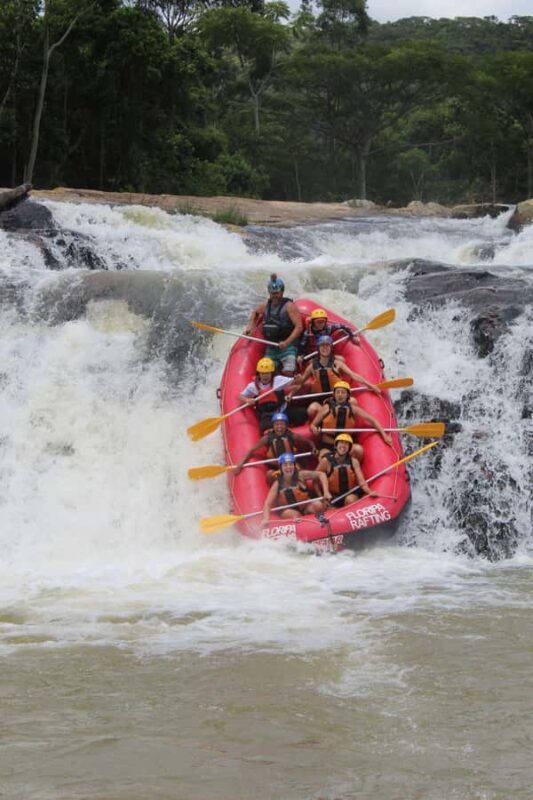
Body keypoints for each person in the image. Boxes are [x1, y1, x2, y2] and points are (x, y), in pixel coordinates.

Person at [296, 335, 381, 421]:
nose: (325, 348)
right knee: (311, 409)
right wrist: (295, 384)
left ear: (331, 348)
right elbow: (301, 381)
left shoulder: (337, 363)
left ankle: (344, 422)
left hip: (336, 396)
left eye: (327, 345)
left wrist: (371, 385)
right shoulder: (312, 366)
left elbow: (353, 375)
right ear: (318, 348)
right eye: (322, 345)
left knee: (353, 402)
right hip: (319, 397)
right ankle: (321, 423)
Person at [310, 380, 393, 459]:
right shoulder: (326, 408)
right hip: (328, 444)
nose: (340, 395)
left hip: (345, 444)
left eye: (343, 392)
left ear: (347, 395)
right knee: (323, 458)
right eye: (338, 392)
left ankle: (350, 466)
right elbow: (313, 425)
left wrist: (384, 436)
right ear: (334, 395)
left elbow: (372, 420)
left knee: (358, 450)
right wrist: (314, 429)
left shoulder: (353, 409)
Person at [244, 274, 303, 376]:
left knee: (288, 372)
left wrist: (286, 343)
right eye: (272, 293)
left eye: (277, 293)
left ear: (282, 292)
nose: (274, 295)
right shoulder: (266, 306)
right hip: (271, 347)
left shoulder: (289, 306)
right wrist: (250, 327)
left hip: (288, 347)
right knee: (265, 373)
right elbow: (255, 312)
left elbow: (299, 327)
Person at [233, 412, 316, 483]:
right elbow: (251, 450)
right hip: (276, 467)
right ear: (273, 425)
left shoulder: (292, 435)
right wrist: (240, 465)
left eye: (282, 424)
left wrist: (314, 448)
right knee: (269, 475)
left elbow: (309, 442)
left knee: (298, 471)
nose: (279, 427)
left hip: (290, 464)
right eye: (277, 424)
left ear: (286, 425)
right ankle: (278, 490)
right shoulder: (267, 438)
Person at [260, 452, 332, 527]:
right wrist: (265, 519)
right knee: (292, 515)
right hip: (290, 511)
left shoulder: (301, 475)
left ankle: (320, 524)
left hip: (305, 508)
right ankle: (302, 527)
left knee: (318, 505)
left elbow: (321, 474)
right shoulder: (277, 484)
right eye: (285, 465)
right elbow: (267, 504)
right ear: (281, 467)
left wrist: (326, 492)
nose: (288, 467)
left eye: (290, 464)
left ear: (294, 465)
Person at [318, 434, 377, 507]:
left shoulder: (354, 461)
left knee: (351, 500)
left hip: (350, 493)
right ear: (336, 445)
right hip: (333, 497)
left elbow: (361, 481)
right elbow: (316, 481)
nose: (343, 446)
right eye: (341, 443)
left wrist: (369, 492)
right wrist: (321, 497)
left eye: (346, 444)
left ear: (349, 448)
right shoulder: (326, 461)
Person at [238, 357, 293, 432]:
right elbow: (240, 396)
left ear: (272, 373)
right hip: (267, 415)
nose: (265, 376)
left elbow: (296, 382)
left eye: (267, 373)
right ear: (259, 374)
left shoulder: (278, 380)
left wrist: (291, 393)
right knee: (264, 427)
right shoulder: (253, 386)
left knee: (302, 414)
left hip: (283, 409)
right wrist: (247, 400)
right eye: (262, 373)